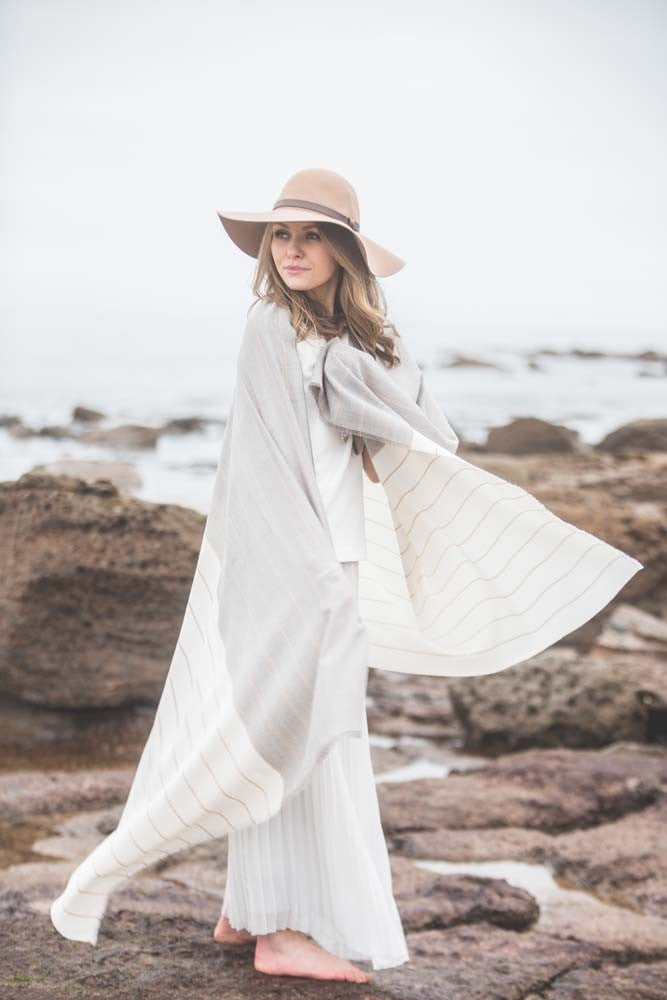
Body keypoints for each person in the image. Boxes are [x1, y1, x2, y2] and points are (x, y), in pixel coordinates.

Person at [212, 168, 410, 982]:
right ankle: (281, 933)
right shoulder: (271, 326)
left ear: (344, 252)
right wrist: (314, 579)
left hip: (328, 553)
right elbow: (261, 468)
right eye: (281, 235)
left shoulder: (345, 342)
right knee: (306, 734)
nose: (292, 249)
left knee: (290, 727)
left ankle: (245, 905)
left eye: (312, 235)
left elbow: (382, 448)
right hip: (291, 562)